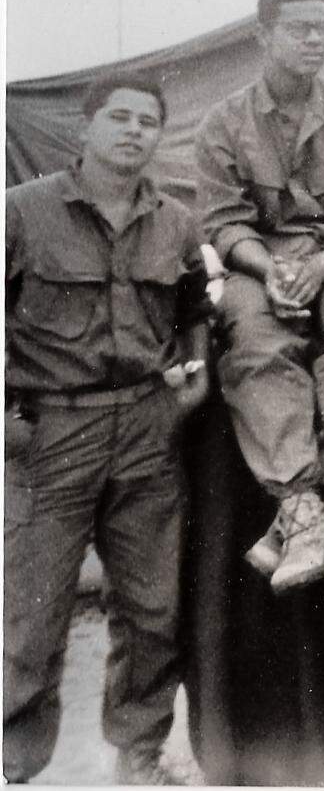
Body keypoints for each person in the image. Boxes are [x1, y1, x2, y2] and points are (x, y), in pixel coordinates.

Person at [4, 71, 211, 784]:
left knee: (152, 609)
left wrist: (196, 371)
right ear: (86, 128)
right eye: (118, 117)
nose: (133, 131)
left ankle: (140, 756)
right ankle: (14, 765)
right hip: (49, 430)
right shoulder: (21, 213)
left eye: (147, 120)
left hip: (147, 429)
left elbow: (192, 311)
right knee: (31, 619)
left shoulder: (178, 222)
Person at [196, 0, 324, 593]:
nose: (315, 39)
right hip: (261, 260)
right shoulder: (224, 122)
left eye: (322, 27)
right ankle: (306, 511)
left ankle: (303, 502)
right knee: (256, 338)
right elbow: (223, 218)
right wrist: (269, 269)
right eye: (298, 28)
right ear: (264, 36)